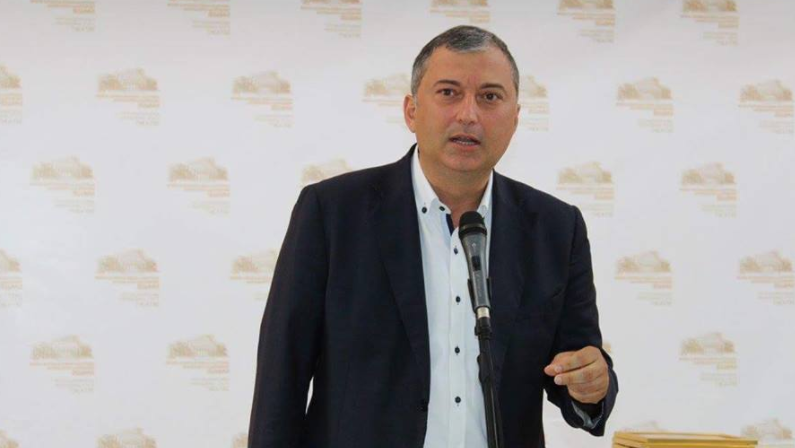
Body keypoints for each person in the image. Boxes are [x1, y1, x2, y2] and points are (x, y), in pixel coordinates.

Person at [248, 25, 618, 448]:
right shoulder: (332, 214)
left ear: (515, 118)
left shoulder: (555, 228)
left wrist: (592, 384)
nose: (468, 114)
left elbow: (578, 366)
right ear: (411, 111)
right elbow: (282, 374)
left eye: (490, 97)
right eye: (448, 93)